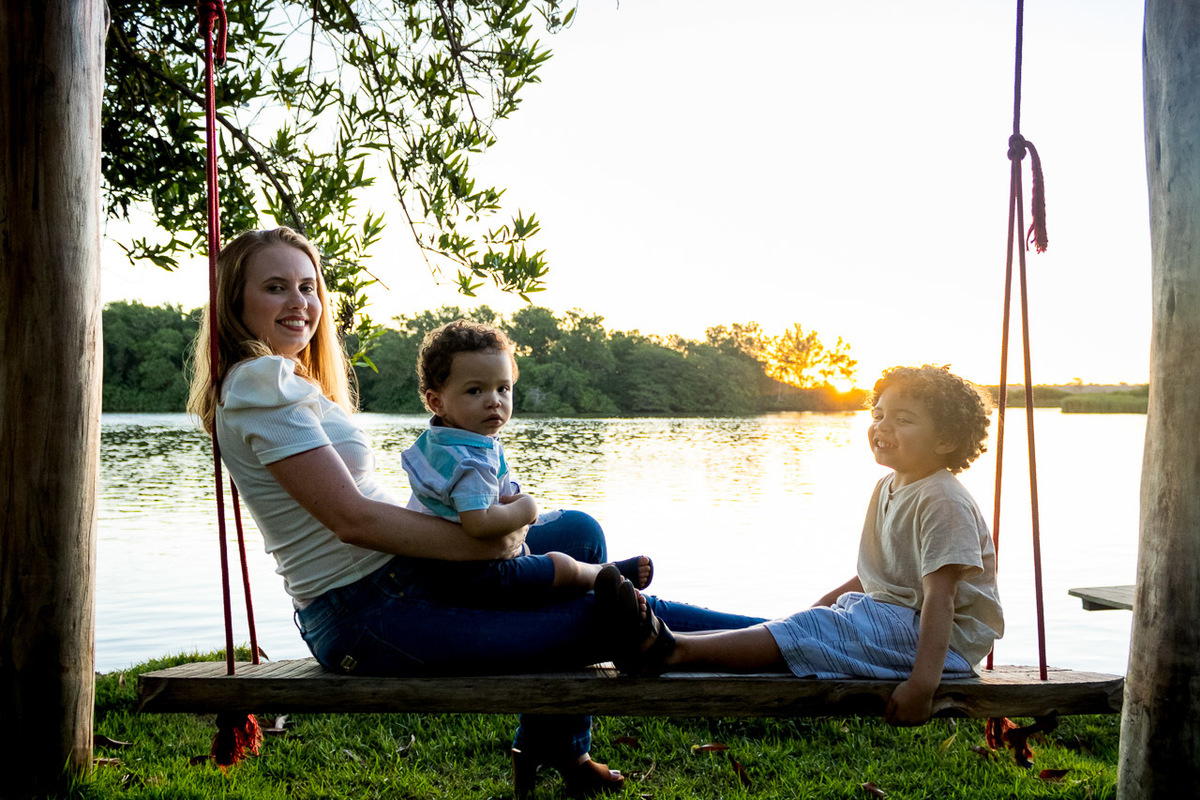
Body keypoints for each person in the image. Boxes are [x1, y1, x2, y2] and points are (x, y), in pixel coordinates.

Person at [186, 227, 765, 797]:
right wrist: (482, 542)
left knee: (581, 535)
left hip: (397, 578)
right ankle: (785, 639)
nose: (299, 302)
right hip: (365, 612)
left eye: (308, 286)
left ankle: (558, 748)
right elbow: (352, 521)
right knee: (610, 613)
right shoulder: (260, 385)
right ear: (235, 304)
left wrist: (490, 528)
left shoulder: (287, 381)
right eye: (276, 287)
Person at [597, 364, 1005, 726]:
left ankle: (669, 650)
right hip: (897, 623)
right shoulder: (889, 486)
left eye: (903, 419)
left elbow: (941, 599)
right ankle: (657, 641)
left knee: (814, 630)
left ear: (946, 441)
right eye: (878, 414)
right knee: (808, 624)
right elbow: (872, 578)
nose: (882, 427)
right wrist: (816, 607)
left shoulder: (942, 500)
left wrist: (921, 686)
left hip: (944, 646)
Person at [400, 318, 653, 604]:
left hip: (439, 565)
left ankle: (603, 583)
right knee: (559, 565)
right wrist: (527, 507)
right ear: (437, 402)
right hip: (469, 575)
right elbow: (479, 524)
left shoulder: (443, 440)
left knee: (561, 547)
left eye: (503, 389)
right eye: (475, 390)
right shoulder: (468, 462)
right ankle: (605, 576)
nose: (493, 400)